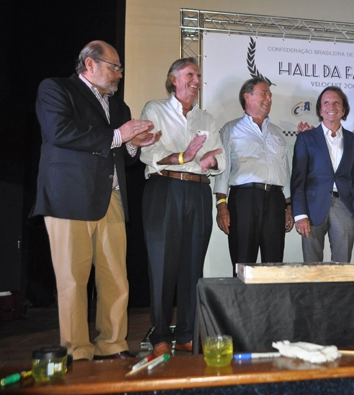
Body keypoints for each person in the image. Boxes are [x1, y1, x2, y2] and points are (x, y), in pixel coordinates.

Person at [32, 40, 160, 361]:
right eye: (114, 67)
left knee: (116, 276)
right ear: (90, 64)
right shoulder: (56, 89)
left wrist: (135, 144)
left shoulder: (119, 106)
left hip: (111, 197)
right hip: (69, 196)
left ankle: (113, 345)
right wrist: (120, 136)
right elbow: (60, 131)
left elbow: (123, 157)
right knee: (73, 279)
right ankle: (76, 350)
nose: (120, 74)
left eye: (120, 68)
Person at [139, 58, 225, 357]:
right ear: (173, 79)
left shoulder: (207, 119)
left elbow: (219, 157)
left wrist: (210, 160)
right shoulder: (155, 109)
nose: (196, 81)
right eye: (190, 75)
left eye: (199, 76)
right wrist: (182, 156)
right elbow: (147, 152)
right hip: (165, 188)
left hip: (198, 191)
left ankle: (187, 334)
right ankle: (161, 335)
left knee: (193, 267)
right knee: (162, 265)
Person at [214, 78, 293, 271]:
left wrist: (289, 206)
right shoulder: (230, 129)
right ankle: (242, 302)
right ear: (247, 96)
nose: (269, 98)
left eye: (270, 95)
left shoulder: (277, 132)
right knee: (243, 262)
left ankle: (271, 301)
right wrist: (221, 206)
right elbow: (222, 170)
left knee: (274, 263)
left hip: (275, 200)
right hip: (244, 199)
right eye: (264, 93)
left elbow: (285, 171)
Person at [291, 87, 354, 262]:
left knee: (342, 266)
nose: (331, 106)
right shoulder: (306, 138)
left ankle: (340, 291)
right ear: (319, 109)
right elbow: (298, 179)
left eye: (336, 102)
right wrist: (300, 214)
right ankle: (313, 292)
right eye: (326, 102)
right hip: (312, 208)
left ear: (343, 109)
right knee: (312, 266)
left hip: (345, 207)